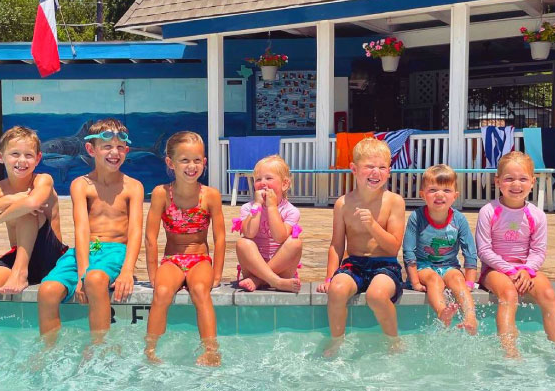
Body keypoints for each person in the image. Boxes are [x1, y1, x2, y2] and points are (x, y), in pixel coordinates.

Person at [37, 118, 144, 346]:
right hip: (86, 250)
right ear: (90, 150)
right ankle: (49, 351)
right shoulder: (80, 185)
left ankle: (99, 348)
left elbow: (135, 231)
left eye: (120, 147)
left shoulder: (133, 186)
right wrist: (82, 271)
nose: (114, 152)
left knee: (95, 280)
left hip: (115, 251)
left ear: (126, 150)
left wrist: (127, 271)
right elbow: (82, 228)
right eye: (107, 147)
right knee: (46, 291)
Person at [0, 126, 66, 351]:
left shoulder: (42, 180)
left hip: (52, 257)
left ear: (38, 159)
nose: (21, 161)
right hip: (21, 253)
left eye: (28, 155)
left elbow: (31, 203)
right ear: (1, 156)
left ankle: (20, 273)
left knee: (27, 212)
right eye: (14, 154)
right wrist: (11, 198)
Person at [316, 138, 406, 356]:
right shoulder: (343, 204)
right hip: (354, 263)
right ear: (354, 169)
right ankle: (336, 341)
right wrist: (329, 277)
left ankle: (394, 341)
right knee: (336, 291)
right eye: (369, 167)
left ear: (389, 171)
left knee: (376, 295)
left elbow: (393, 247)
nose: (376, 172)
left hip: (385, 265)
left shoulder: (394, 201)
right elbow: (337, 245)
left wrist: (373, 225)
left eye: (382, 167)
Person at [144, 131, 226, 366]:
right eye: (185, 160)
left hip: (200, 259)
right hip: (172, 259)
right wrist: (152, 273)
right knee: (161, 293)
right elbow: (151, 237)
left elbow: (220, 238)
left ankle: (211, 350)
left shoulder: (210, 195)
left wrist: (218, 274)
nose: (192, 166)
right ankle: (151, 349)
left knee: (200, 290)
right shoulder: (162, 194)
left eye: (197, 160)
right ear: (170, 163)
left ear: (205, 162)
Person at [476, 151, 555, 357]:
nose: (516, 184)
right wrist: (510, 270)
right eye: (509, 179)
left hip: (526, 269)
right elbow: (483, 250)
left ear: (532, 182)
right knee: (508, 294)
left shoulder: (536, 215)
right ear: (498, 181)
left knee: (548, 295)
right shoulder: (489, 211)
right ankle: (510, 352)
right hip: (495, 270)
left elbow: (538, 250)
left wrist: (526, 270)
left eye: (523, 179)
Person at [402, 164, 478, 334]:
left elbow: (470, 252)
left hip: (449, 265)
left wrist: (470, 282)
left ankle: (471, 318)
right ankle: (442, 312)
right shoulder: (417, 217)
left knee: (458, 281)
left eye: (446, 190)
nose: (440, 194)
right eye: (433, 190)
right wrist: (414, 281)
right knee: (434, 280)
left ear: (455, 196)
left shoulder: (459, 219)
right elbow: (409, 251)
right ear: (423, 195)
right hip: (423, 266)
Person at [234, 154, 302, 293]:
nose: (263, 183)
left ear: (284, 184)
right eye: (258, 179)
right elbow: (250, 233)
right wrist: (257, 205)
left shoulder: (291, 211)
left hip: (281, 269)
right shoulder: (247, 208)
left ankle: (259, 280)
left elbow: (280, 237)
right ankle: (275, 281)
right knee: (242, 243)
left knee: (295, 243)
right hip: (255, 266)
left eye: (269, 178)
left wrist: (272, 207)